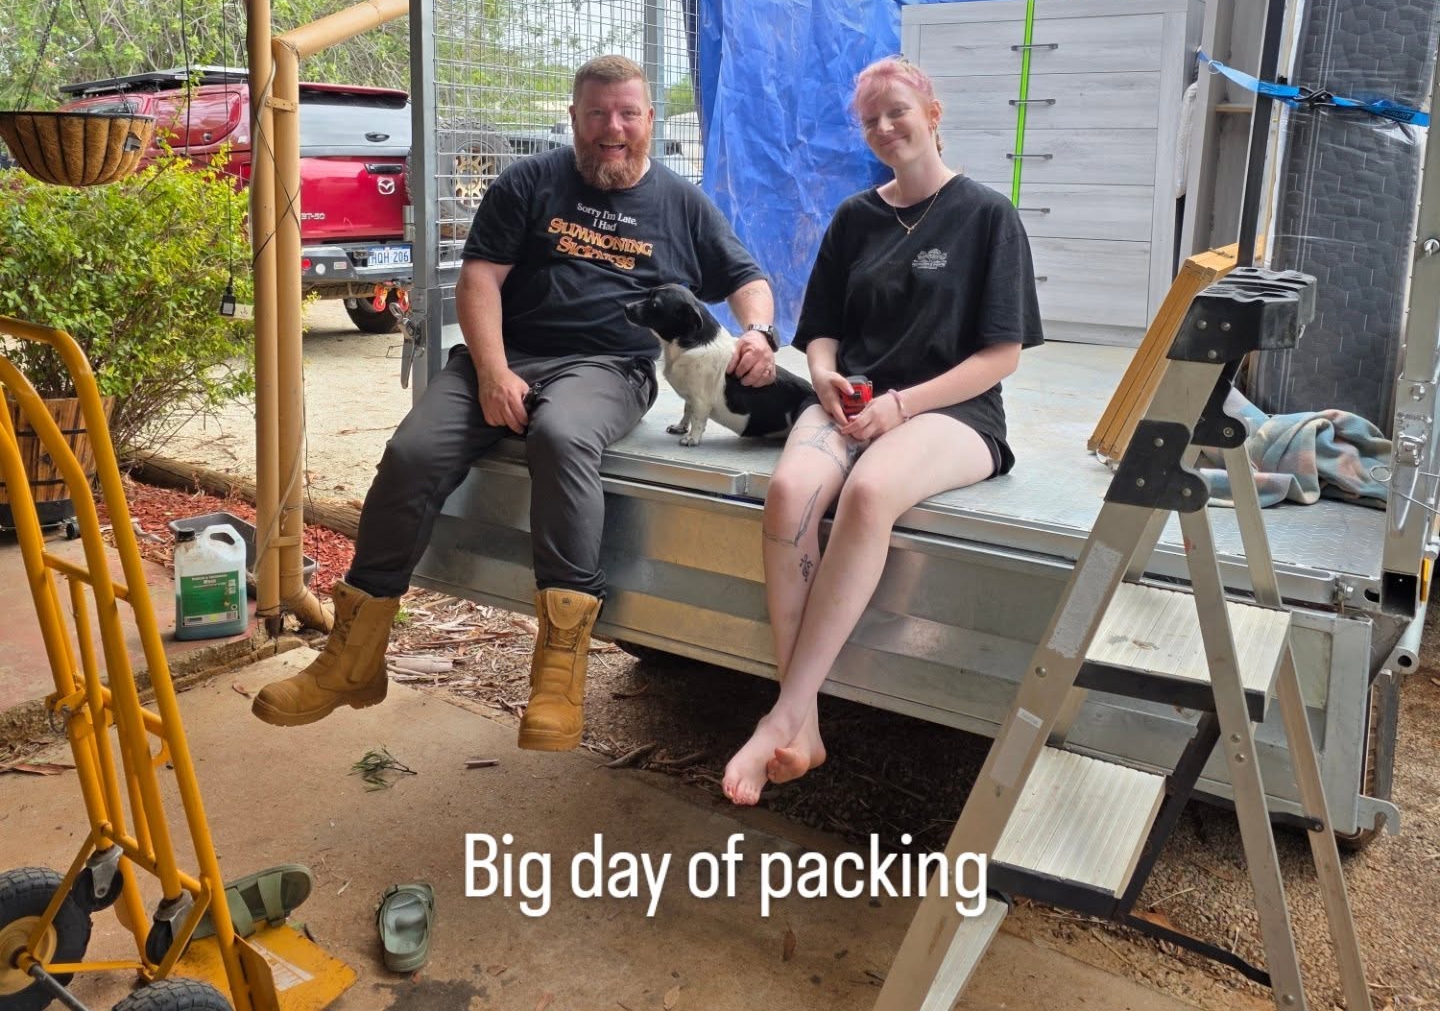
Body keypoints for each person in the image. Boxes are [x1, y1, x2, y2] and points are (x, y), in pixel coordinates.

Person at [254, 54, 781, 751]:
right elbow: (480, 281)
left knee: (562, 438)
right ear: (573, 119)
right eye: (596, 115)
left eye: (627, 114)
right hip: (506, 356)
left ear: (649, 121)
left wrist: (760, 333)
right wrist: (496, 375)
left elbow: (748, 277)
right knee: (413, 452)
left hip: (608, 367)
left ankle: (558, 676)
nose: (611, 130)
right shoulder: (529, 182)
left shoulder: (681, 204)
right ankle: (353, 660)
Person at [722, 55, 1043, 805]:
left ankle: (783, 715)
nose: (885, 127)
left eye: (897, 109)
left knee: (867, 495)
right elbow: (823, 332)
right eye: (869, 119)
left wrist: (902, 406)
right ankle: (804, 725)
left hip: (952, 412)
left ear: (933, 111)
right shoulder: (855, 217)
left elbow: (1002, 356)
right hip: (854, 401)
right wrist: (827, 375)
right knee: (791, 491)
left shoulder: (987, 214)